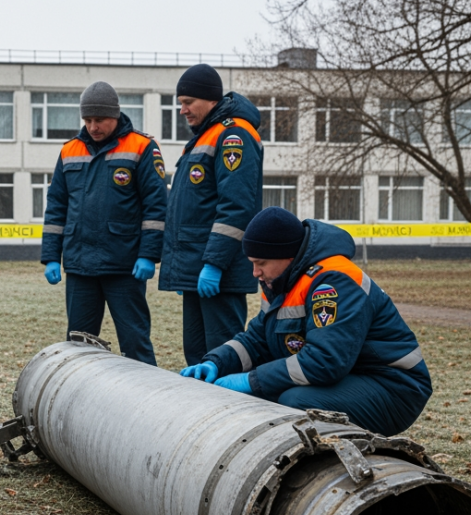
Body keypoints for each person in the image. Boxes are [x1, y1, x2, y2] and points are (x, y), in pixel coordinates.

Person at [179, 207, 432, 436]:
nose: (255, 272)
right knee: (277, 392)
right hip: (354, 377)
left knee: (294, 400)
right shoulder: (284, 280)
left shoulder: (333, 282)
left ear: (287, 256)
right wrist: (216, 362)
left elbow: (325, 361)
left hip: (394, 388)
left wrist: (250, 381)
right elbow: (257, 340)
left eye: (260, 263)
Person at [42, 81, 169, 364]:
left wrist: (149, 254)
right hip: (80, 264)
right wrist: (51, 256)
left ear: (115, 116)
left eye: (99, 120)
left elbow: (156, 205)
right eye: (87, 120)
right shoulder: (68, 151)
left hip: (124, 266)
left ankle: (146, 397)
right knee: (77, 345)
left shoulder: (142, 147)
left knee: (135, 340)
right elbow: (56, 207)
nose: (93, 126)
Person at [158, 64, 265, 366]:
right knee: (197, 355)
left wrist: (214, 264)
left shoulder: (233, 135)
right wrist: (184, 270)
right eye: (180, 103)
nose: (183, 110)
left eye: (188, 102)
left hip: (220, 273)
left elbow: (237, 206)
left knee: (223, 355)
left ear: (209, 99)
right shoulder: (205, 136)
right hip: (198, 270)